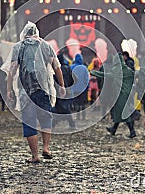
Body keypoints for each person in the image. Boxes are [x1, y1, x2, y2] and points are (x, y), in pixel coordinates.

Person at [5, 22, 65, 163]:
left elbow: (12, 70)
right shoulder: (45, 46)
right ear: (36, 32)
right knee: (46, 118)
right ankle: (46, 147)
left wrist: (9, 89)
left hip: (26, 92)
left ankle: (35, 156)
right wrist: (61, 85)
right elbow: (56, 67)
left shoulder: (18, 47)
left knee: (29, 122)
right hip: (43, 90)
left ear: (24, 34)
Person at [91, 54, 137, 138]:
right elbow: (134, 75)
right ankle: (114, 129)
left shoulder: (115, 69)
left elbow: (106, 75)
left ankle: (132, 131)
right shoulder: (127, 69)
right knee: (119, 112)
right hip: (127, 93)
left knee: (123, 113)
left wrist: (94, 72)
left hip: (119, 94)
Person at [53, 53, 76, 129]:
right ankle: (71, 123)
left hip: (58, 91)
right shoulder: (68, 68)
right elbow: (73, 78)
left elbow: (54, 79)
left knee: (58, 107)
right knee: (65, 108)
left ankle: (54, 123)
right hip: (68, 90)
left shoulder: (56, 69)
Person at [70, 53, 90, 120]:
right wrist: (87, 87)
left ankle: (77, 117)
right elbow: (87, 79)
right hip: (83, 89)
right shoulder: (84, 68)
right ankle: (83, 117)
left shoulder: (71, 67)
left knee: (76, 103)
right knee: (83, 103)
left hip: (74, 88)